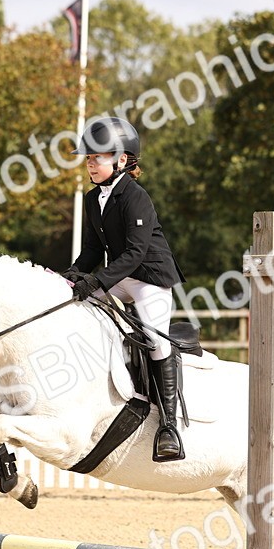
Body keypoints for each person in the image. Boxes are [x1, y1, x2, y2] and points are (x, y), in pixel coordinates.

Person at [61, 116, 187, 462]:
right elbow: (91, 252)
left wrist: (97, 281)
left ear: (121, 160)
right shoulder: (92, 199)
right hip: (119, 277)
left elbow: (135, 253)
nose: (90, 164)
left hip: (150, 279)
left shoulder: (136, 197)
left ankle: (169, 428)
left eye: (96, 158)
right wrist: (71, 278)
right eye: (88, 159)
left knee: (156, 340)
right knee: (71, 307)